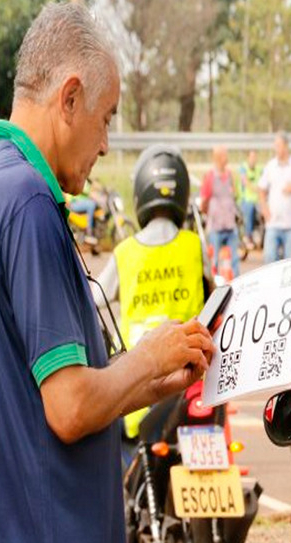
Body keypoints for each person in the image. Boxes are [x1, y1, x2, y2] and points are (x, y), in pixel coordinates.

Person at [0, 5, 213, 543]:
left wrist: (150, 379)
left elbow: (37, 394)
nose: (108, 143)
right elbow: (67, 409)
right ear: (69, 99)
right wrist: (148, 357)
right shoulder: (31, 206)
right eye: (106, 117)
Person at [93, 144, 208, 438]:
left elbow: (93, 300)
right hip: (194, 383)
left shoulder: (125, 253)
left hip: (139, 389)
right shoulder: (194, 245)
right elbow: (217, 295)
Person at [258, 132, 291, 263]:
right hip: (273, 223)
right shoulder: (270, 166)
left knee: (290, 264)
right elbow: (261, 189)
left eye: (279, 145)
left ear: (286, 146)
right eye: (275, 146)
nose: (277, 149)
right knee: (269, 259)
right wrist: (265, 210)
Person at [201, 145, 240, 277]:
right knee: (214, 262)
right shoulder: (210, 176)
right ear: (217, 158)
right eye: (224, 155)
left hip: (230, 223)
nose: (226, 158)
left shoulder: (230, 175)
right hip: (215, 226)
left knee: (234, 260)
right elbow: (204, 201)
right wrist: (209, 214)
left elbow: (234, 194)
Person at [238, 149, 261, 248]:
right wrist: (255, 188)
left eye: (255, 157)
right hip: (245, 201)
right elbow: (245, 182)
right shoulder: (243, 168)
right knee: (250, 208)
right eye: (251, 157)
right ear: (248, 158)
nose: (253, 159)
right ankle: (248, 235)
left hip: (257, 201)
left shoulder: (259, 169)